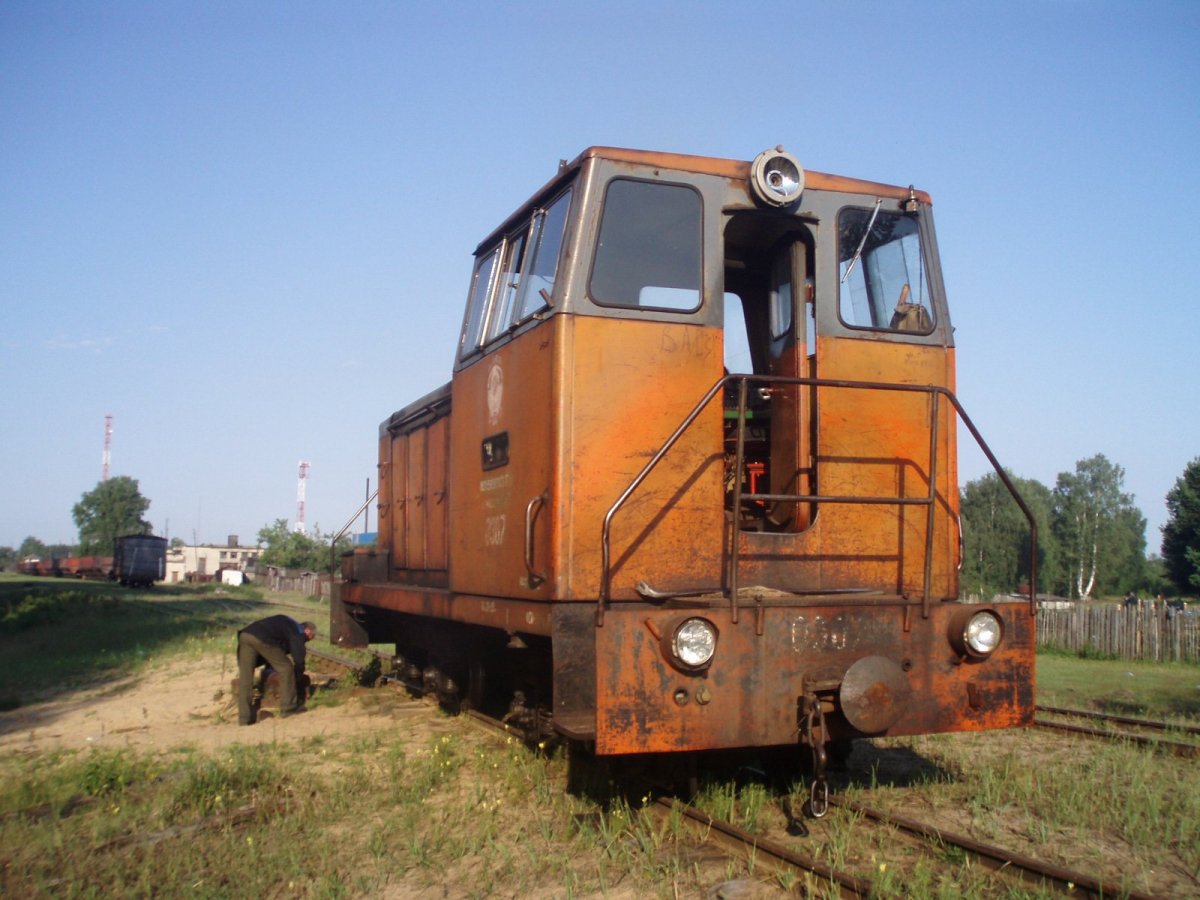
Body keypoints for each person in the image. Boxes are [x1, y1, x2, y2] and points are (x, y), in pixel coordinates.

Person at [237, 615, 316, 725]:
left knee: (246, 678)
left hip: (245, 635)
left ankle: (244, 718)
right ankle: (289, 708)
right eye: (310, 637)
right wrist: (299, 671)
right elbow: (298, 656)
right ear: (307, 630)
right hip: (261, 638)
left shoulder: (285, 624)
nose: (306, 640)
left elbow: (274, 653)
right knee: (286, 669)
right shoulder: (297, 629)